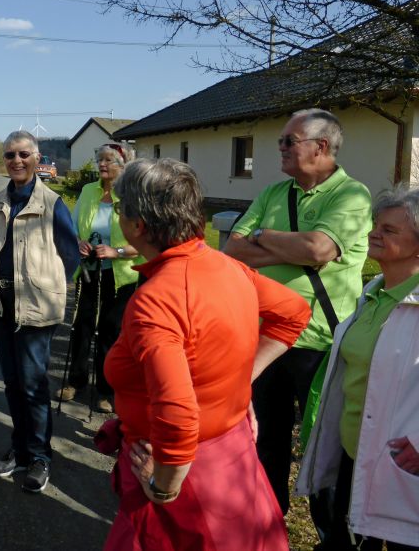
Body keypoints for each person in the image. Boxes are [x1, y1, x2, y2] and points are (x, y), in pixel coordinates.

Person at [103, 158, 311, 550]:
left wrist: (162, 487)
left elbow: (179, 416)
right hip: (229, 460)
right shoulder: (225, 267)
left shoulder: (156, 301)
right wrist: (241, 380)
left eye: (121, 208)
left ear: (138, 225)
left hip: (185, 478)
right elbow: (294, 312)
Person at [225, 108, 371, 521]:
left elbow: (318, 250)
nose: (281, 149)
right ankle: (268, 522)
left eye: (289, 141)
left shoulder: (351, 195)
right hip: (266, 338)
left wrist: (263, 237)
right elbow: (232, 248)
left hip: (320, 340)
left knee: (323, 442)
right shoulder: (274, 192)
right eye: (281, 142)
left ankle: (331, 530)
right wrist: (287, 244)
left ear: (320, 147)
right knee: (265, 438)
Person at [296, 188, 419, 551]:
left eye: (390, 230)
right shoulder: (374, 293)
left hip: (403, 465)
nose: (374, 234)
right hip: (356, 452)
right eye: (376, 225)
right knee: (345, 541)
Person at [0, 131, 79, 493]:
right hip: (1, 306)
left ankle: (40, 456)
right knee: (11, 383)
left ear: (37, 159)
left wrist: (45, 289)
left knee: (33, 384)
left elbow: (70, 259)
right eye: (10, 154)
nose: (17, 160)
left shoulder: (53, 204)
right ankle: (20, 449)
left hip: (37, 311)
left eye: (24, 154)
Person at [57, 142, 142, 414]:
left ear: (123, 165)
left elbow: (146, 242)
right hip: (90, 272)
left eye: (109, 160)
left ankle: (106, 391)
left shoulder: (133, 199)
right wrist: (80, 242)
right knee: (81, 327)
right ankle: (75, 381)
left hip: (121, 278)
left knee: (110, 333)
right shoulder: (87, 191)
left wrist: (115, 251)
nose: (102, 165)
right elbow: (71, 226)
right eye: (100, 159)